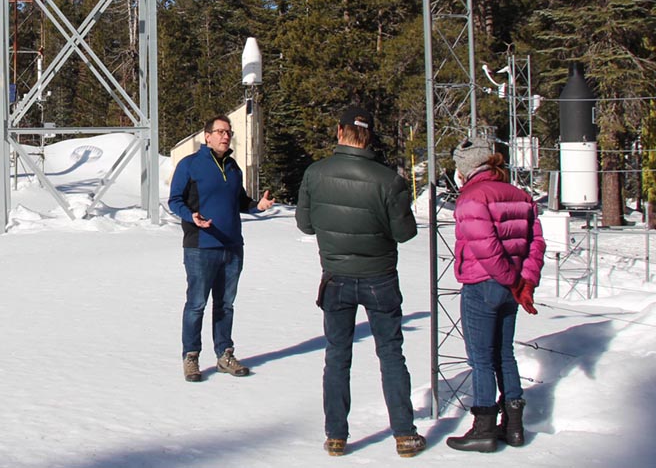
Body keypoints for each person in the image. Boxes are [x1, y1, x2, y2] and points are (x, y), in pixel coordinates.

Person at [295, 106, 426, 458]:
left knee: (337, 356)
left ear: (340, 132)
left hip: (336, 276)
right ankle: (404, 434)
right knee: (391, 355)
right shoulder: (388, 180)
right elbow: (405, 232)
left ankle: (336, 436)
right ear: (368, 136)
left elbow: (306, 225)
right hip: (379, 277)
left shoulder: (315, 173)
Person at [446, 137, 545, 452]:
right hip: (510, 289)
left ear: (466, 168)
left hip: (483, 284)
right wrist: (524, 281)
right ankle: (514, 426)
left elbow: (485, 248)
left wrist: (513, 281)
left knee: (481, 359)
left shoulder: (472, 198)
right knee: (504, 353)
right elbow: (536, 242)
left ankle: (484, 426)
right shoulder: (519, 195)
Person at [169, 114, 274, 382]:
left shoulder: (233, 167)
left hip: (232, 246)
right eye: (220, 132)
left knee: (225, 305)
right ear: (207, 136)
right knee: (196, 304)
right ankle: (191, 356)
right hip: (201, 247)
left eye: (228, 132)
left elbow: (239, 201)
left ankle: (224, 354)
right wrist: (190, 216)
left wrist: (257, 207)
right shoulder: (190, 165)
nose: (225, 136)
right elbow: (175, 200)